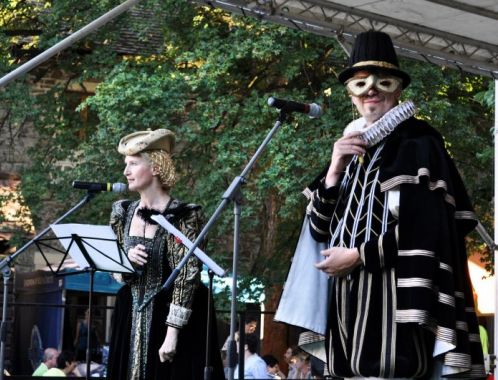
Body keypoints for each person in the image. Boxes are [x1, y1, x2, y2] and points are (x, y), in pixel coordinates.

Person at [304, 30, 485, 378]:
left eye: (382, 81)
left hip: (395, 292)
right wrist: (332, 171)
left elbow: (431, 229)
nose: (370, 90)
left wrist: (358, 256)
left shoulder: (420, 144)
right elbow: (317, 229)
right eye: (360, 83)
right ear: (351, 96)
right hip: (344, 296)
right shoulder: (347, 152)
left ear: (398, 90)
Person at [106, 128, 224, 380]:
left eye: (134, 164)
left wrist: (172, 332)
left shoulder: (184, 215)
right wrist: (124, 262)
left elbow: (186, 276)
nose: (126, 171)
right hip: (130, 311)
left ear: (156, 167)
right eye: (126, 164)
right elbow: (115, 269)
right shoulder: (121, 212)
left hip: (172, 315)